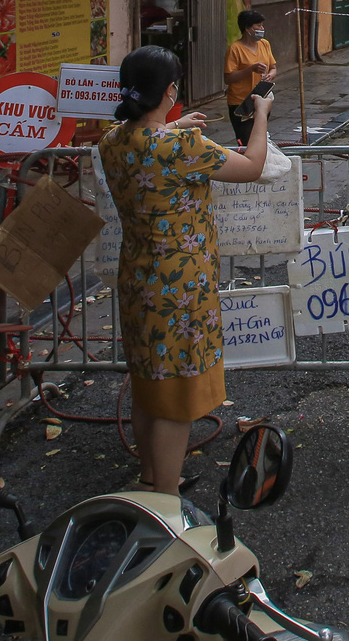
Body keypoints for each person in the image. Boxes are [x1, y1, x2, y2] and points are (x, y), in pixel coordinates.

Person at [98, 45, 274, 494]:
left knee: (148, 383)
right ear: (171, 90)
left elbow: (144, 141)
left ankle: (152, 475)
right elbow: (252, 166)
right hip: (182, 284)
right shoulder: (183, 147)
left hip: (137, 276)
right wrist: (261, 113)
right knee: (176, 397)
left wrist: (172, 124)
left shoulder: (112, 142)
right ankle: (166, 499)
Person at [223, 9, 277, 145]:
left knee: (260, 137)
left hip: (262, 98)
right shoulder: (235, 49)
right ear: (247, 28)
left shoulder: (265, 44)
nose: (262, 28)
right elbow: (228, 78)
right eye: (258, 26)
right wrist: (250, 70)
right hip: (241, 102)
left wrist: (270, 76)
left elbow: (273, 68)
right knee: (247, 141)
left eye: (262, 25)